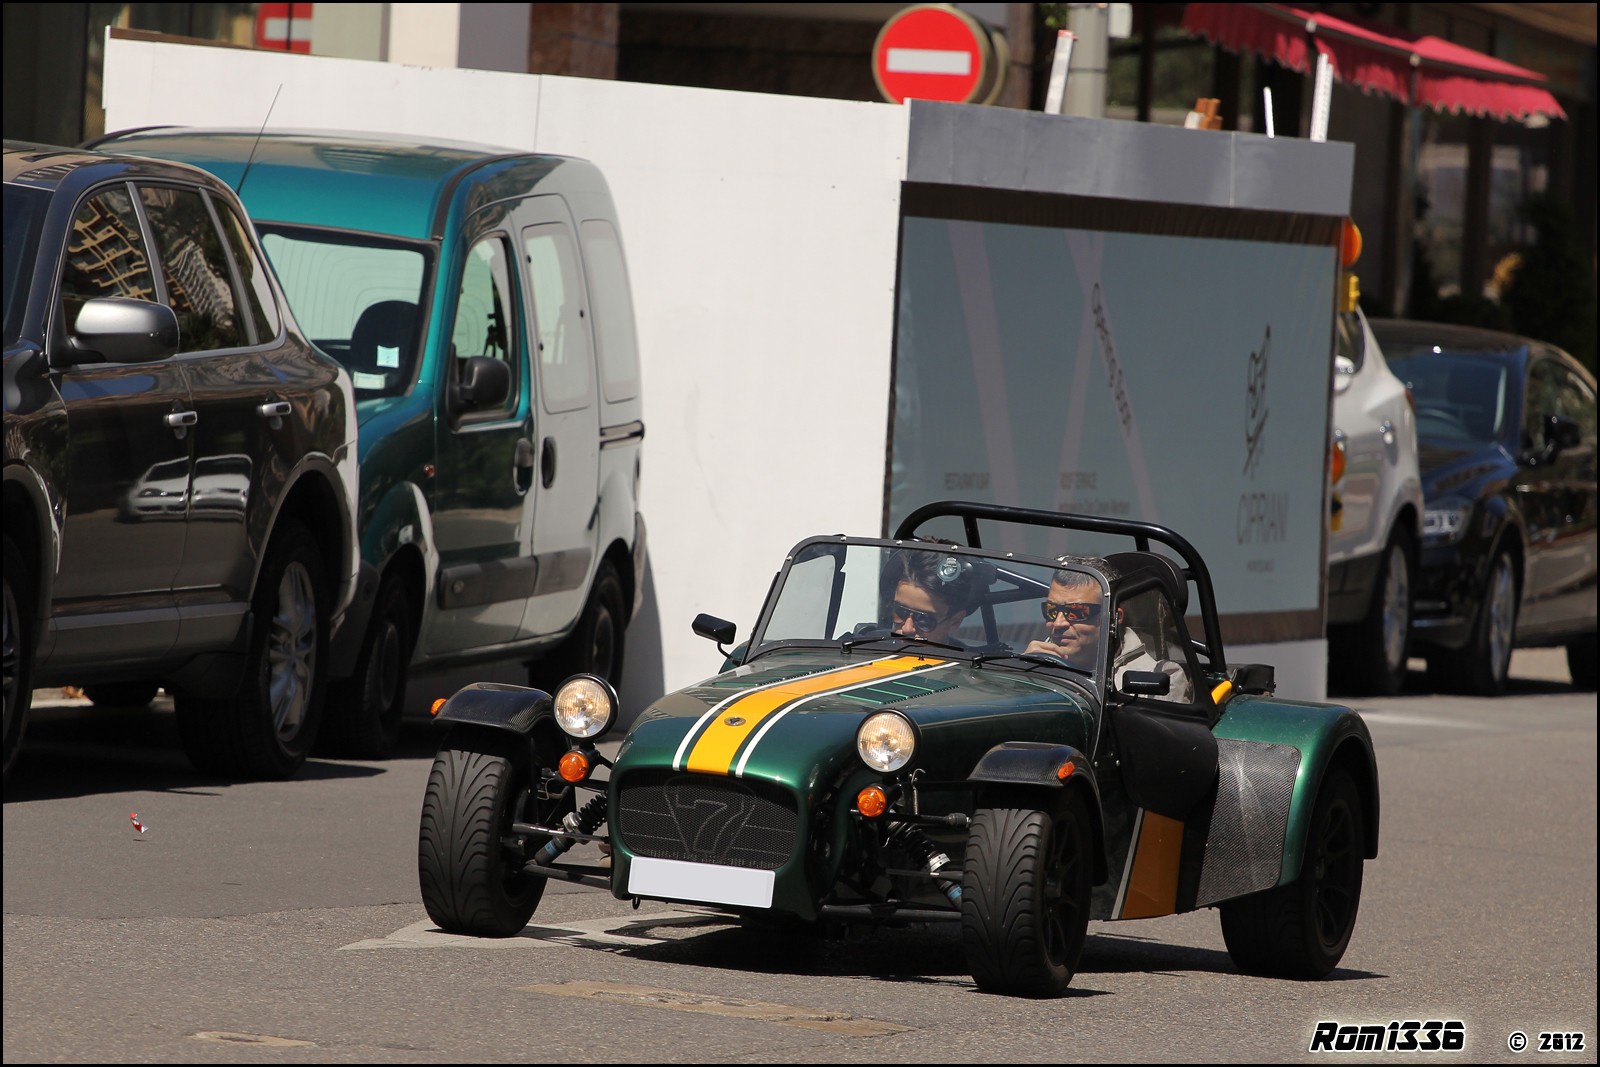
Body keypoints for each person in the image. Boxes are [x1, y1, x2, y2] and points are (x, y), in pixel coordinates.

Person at [1024, 567, 1193, 702]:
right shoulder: (1030, 665)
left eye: (1076, 612)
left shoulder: (1162, 678)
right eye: (1051, 611)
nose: (1058, 623)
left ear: (1114, 617)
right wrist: (1024, 678)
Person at [880, 547, 974, 646]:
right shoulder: (868, 646)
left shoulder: (968, 660)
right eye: (900, 612)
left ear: (955, 621)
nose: (907, 629)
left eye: (924, 620)